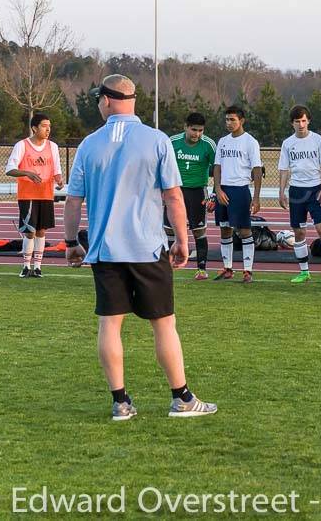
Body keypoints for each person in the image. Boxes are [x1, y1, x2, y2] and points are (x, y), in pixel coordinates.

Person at [64, 74, 216, 421]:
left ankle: (120, 402)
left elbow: (73, 200)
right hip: (148, 249)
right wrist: (182, 239)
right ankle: (182, 398)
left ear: (107, 100)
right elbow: (173, 196)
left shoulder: (90, 144)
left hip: (105, 251)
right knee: (163, 325)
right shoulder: (157, 140)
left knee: (109, 325)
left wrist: (72, 242)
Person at [279, 105, 321, 284]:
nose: (301, 124)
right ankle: (304, 272)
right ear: (292, 123)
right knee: (299, 232)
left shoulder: (319, 140)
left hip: (315, 189)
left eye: (304, 120)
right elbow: (284, 169)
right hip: (296, 191)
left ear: (309, 121)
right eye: (297, 121)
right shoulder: (287, 143)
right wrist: (281, 192)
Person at [4, 112, 64, 278]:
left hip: (45, 194)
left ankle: (38, 267)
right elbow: (9, 169)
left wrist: (59, 180)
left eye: (49, 126)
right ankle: (25, 266)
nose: (48, 129)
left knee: (42, 231)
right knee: (29, 231)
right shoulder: (22, 145)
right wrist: (28, 173)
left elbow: (57, 170)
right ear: (34, 128)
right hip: (27, 194)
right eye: (44, 126)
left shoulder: (53, 147)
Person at [212, 106, 262, 284]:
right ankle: (227, 268)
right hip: (223, 190)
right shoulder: (223, 141)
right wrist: (217, 189)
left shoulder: (250, 142)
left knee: (244, 230)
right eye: (227, 119)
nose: (229, 123)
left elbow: (257, 170)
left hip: (240, 190)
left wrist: (256, 197)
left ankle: (248, 271)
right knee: (225, 229)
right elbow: (217, 167)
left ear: (242, 121)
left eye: (232, 119)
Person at [167, 113, 217, 280]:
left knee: (199, 232)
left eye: (200, 130)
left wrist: (214, 194)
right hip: (176, 192)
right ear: (185, 127)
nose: (197, 134)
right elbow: (161, 166)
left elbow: (218, 169)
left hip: (197, 192)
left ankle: (201, 269)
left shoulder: (209, 145)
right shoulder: (172, 142)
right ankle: (167, 267)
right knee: (169, 230)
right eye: (193, 130)